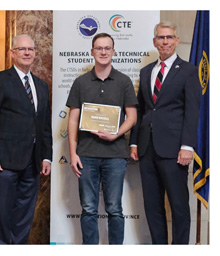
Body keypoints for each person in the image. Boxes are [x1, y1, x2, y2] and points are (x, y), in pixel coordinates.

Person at [129, 21, 201, 244]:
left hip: (174, 149)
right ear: (155, 42)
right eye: (161, 37)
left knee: (179, 205)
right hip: (146, 148)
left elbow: (192, 111)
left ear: (177, 41)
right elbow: (141, 110)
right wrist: (133, 143)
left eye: (169, 37)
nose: (165, 41)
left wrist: (187, 146)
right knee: (152, 205)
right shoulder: (146, 71)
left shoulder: (189, 71)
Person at [0, 34, 52, 244]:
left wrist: (46, 156)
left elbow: (44, 125)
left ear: (35, 53)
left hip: (33, 162)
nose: (27, 52)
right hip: (4, 162)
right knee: (3, 214)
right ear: (12, 53)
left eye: (30, 49)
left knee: (25, 215)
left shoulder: (41, 85)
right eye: (22, 49)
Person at [66, 33, 137, 244]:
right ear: (92, 52)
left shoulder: (124, 81)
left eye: (107, 48)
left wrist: (116, 133)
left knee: (115, 208)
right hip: (86, 155)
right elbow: (72, 121)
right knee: (88, 208)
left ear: (113, 52)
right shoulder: (80, 82)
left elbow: (132, 117)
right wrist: (72, 153)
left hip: (115, 155)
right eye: (99, 48)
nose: (103, 52)